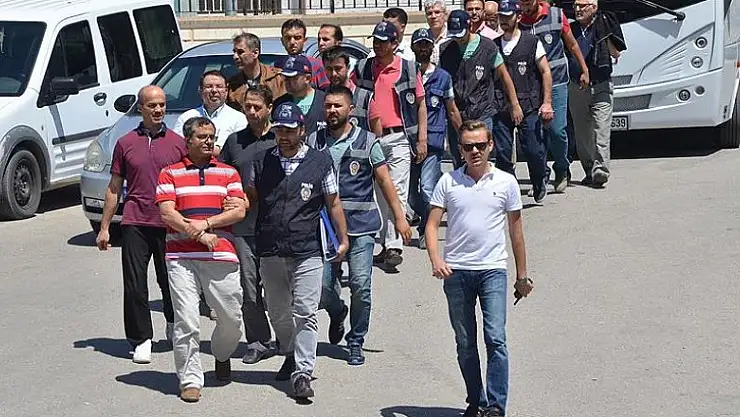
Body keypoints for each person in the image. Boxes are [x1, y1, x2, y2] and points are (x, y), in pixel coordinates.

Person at [425, 120, 534, 417]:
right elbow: (432, 225)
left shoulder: (506, 182)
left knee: (495, 337)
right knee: (465, 342)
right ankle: (477, 401)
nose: (475, 151)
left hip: (492, 270)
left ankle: (496, 407)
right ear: (459, 150)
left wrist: (522, 276)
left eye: (480, 146)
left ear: (491, 146)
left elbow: (516, 231)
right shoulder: (448, 182)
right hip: (456, 272)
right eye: (468, 146)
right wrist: (436, 260)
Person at [246, 101, 349, 399]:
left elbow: (333, 202)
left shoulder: (320, 162)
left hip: (307, 249)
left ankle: (303, 371)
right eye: (279, 130)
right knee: (278, 312)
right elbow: (249, 200)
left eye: (290, 130)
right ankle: (290, 351)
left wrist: (343, 239)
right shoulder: (261, 161)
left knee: (305, 311)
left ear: (302, 130)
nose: (284, 136)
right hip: (270, 248)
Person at [308, 86, 412, 366]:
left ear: (350, 109)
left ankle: (356, 340)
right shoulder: (314, 141)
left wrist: (399, 217)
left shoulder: (368, 141)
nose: (332, 110)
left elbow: (385, 181)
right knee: (323, 288)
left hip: (361, 226)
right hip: (325, 228)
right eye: (328, 106)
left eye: (338, 106)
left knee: (361, 285)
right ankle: (338, 311)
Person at [155, 117, 248, 403]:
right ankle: (190, 379)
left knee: (232, 320)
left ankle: (221, 353)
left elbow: (238, 211)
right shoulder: (170, 173)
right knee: (186, 320)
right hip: (180, 257)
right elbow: (167, 213)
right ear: (188, 141)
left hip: (221, 254)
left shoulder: (228, 172)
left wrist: (206, 225)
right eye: (202, 137)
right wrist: (198, 235)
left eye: (212, 136)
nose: (209, 141)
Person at [96, 85, 186, 364]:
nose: (158, 110)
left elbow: (187, 184)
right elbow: (114, 187)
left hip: (168, 222)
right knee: (135, 284)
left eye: (162, 104)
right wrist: (104, 227)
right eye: (152, 105)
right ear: (141, 108)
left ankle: (173, 322)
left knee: (170, 280)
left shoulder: (178, 143)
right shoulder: (125, 143)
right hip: (135, 220)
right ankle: (141, 339)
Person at [354, 21, 428, 269]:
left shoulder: (408, 68)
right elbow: (352, 95)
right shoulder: (364, 67)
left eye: (383, 42)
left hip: (398, 138)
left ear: (395, 44)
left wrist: (422, 139)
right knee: (380, 195)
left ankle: (394, 246)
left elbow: (420, 104)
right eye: (375, 41)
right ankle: (387, 245)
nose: (377, 45)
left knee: (397, 189)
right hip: (371, 138)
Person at [219, 86, 277, 365]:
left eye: (257, 107)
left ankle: (288, 339)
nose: (252, 112)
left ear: (269, 108)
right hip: (243, 227)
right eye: (247, 107)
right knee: (249, 289)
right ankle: (258, 341)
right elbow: (221, 176)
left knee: (279, 291)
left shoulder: (282, 137)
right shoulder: (234, 142)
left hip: (277, 226)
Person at [521, 0, 590, 193]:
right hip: (532, 84)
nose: (525, 8)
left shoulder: (556, 15)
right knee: (536, 132)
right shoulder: (518, 20)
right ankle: (541, 174)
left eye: (528, 3)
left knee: (557, 130)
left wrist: (584, 69)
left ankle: (562, 168)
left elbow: (572, 44)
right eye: (522, 4)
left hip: (557, 80)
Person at [439, 10, 520, 168]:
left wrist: (514, 104)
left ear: (470, 27)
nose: (458, 39)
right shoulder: (445, 50)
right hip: (457, 112)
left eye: (461, 34)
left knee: (479, 157)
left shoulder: (488, 47)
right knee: (460, 159)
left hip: (482, 110)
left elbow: (504, 76)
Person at [492, 0, 553, 204]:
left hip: (529, 105)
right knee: (503, 152)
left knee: (534, 150)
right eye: (501, 17)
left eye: (507, 17)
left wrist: (547, 102)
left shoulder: (532, 42)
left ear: (518, 17)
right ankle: (509, 191)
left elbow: (545, 72)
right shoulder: (494, 46)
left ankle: (539, 180)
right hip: (502, 107)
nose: (503, 21)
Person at [409, 28, 462, 250]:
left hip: (433, 141)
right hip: (409, 141)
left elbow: (451, 109)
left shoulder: (443, 77)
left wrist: (462, 135)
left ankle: (426, 229)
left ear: (432, 48)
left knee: (427, 187)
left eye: (426, 44)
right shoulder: (407, 74)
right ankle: (429, 213)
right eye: (419, 45)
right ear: (412, 48)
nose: (423, 49)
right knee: (411, 196)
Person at [568, 0, 626, 188]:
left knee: (601, 129)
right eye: (576, 5)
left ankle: (601, 169)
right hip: (577, 87)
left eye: (583, 5)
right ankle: (589, 170)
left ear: (594, 7)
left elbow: (616, 54)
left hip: (601, 84)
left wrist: (605, 33)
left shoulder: (605, 24)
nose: (578, 9)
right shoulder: (570, 29)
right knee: (582, 134)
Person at [174, 70, 247, 157]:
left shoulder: (239, 119)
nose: (214, 90)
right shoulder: (186, 117)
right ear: (201, 91)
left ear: (226, 91)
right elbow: (177, 147)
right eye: (209, 86)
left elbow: (240, 152)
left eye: (219, 86)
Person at [322, 46, 380, 135]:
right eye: (329, 69)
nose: (333, 74)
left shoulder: (365, 98)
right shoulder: (321, 96)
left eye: (338, 68)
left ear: (348, 67)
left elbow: (377, 133)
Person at [227, 32, 285, 111]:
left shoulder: (278, 79)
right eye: (234, 52)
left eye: (240, 52)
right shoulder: (232, 85)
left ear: (255, 53)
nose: (235, 57)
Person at [274, 54, 327, 135]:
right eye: (286, 78)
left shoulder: (325, 101)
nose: (288, 82)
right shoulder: (279, 104)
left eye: (293, 78)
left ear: (307, 78)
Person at [280, 18, 330, 90]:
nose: (292, 42)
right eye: (288, 38)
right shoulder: (276, 66)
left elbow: (326, 92)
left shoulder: (317, 65)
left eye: (297, 37)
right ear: (282, 41)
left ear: (304, 40)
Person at [424, 0, 450, 65]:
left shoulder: (452, 37)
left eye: (437, 12)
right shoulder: (423, 39)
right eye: (429, 13)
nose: (433, 16)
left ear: (445, 15)